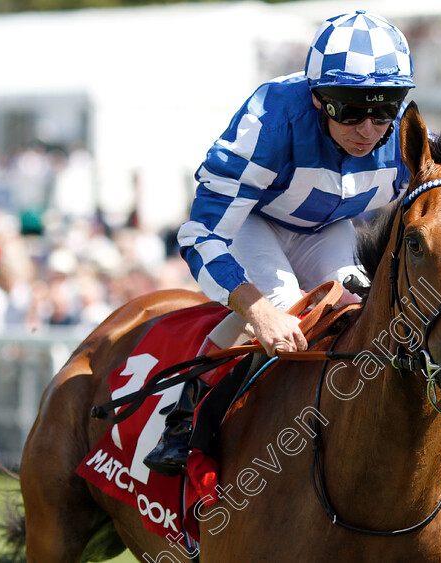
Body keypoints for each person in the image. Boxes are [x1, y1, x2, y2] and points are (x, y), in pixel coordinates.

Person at [144, 11, 416, 475]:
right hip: (253, 221)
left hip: (329, 227)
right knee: (287, 309)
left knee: (356, 308)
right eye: (349, 110)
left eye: (383, 109)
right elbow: (199, 235)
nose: (368, 130)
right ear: (317, 99)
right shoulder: (270, 121)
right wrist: (257, 310)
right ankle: (186, 415)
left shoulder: (405, 140)